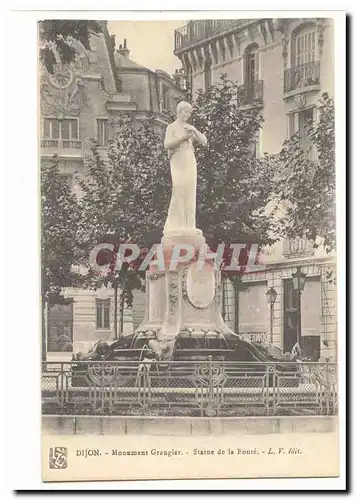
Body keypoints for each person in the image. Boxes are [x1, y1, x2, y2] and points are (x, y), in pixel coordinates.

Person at [163, 101, 207, 234]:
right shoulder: (172, 127)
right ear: (179, 111)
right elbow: (167, 144)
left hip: (189, 159)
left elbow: (204, 141)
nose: (187, 115)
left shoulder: (189, 127)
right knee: (179, 189)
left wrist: (194, 130)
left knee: (190, 190)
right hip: (178, 160)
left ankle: (189, 225)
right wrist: (183, 138)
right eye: (185, 112)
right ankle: (175, 224)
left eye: (189, 113)